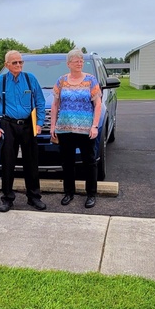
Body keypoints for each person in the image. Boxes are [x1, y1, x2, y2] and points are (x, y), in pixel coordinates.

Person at [0, 50, 47, 213]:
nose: (18, 65)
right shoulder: (0, 81)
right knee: (7, 162)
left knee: (31, 162)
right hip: (7, 125)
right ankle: (7, 198)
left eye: (20, 62)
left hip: (28, 125)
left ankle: (34, 197)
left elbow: (40, 102)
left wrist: (39, 123)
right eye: (14, 63)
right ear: (7, 65)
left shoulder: (30, 79)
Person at [50, 48, 102, 209]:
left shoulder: (91, 80)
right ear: (68, 64)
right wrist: (53, 126)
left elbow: (98, 104)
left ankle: (91, 194)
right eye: (76, 61)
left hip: (85, 129)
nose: (79, 63)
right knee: (67, 163)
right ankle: (69, 192)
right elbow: (55, 104)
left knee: (89, 162)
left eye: (81, 61)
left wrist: (94, 126)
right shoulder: (61, 81)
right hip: (65, 129)